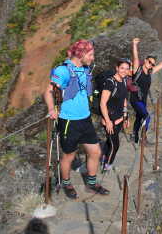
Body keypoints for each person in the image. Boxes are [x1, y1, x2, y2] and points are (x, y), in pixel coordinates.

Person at [43, 40, 109, 199]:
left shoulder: (85, 69)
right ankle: (66, 183)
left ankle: (91, 183)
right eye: (91, 54)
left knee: (95, 151)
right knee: (69, 156)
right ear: (81, 54)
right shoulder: (63, 71)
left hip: (85, 119)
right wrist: (52, 109)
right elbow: (48, 91)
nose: (93, 58)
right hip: (68, 122)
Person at [130, 38, 162, 143]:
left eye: (152, 64)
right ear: (145, 60)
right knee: (147, 117)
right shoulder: (138, 69)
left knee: (139, 117)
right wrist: (134, 45)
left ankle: (134, 135)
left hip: (143, 100)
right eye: (149, 62)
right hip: (135, 98)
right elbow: (135, 57)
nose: (151, 65)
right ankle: (143, 137)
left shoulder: (150, 72)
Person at [99, 59, 131, 171]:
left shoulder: (124, 81)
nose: (124, 71)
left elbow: (124, 100)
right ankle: (107, 166)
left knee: (109, 142)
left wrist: (126, 116)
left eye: (127, 69)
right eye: (122, 68)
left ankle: (104, 158)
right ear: (117, 68)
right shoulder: (110, 82)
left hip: (119, 119)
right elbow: (102, 103)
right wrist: (108, 121)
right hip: (110, 120)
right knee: (115, 145)